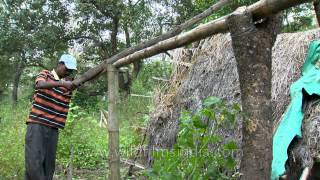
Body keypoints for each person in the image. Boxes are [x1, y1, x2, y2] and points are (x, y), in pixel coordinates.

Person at [25, 54, 78, 180]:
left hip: (53, 129)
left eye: (70, 71)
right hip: (37, 125)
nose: (68, 72)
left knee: (48, 167)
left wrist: (66, 84)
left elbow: (87, 78)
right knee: (34, 164)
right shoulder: (45, 74)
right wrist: (61, 83)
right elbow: (40, 85)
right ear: (60, 64)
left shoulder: (69, 84)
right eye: (67, 69)